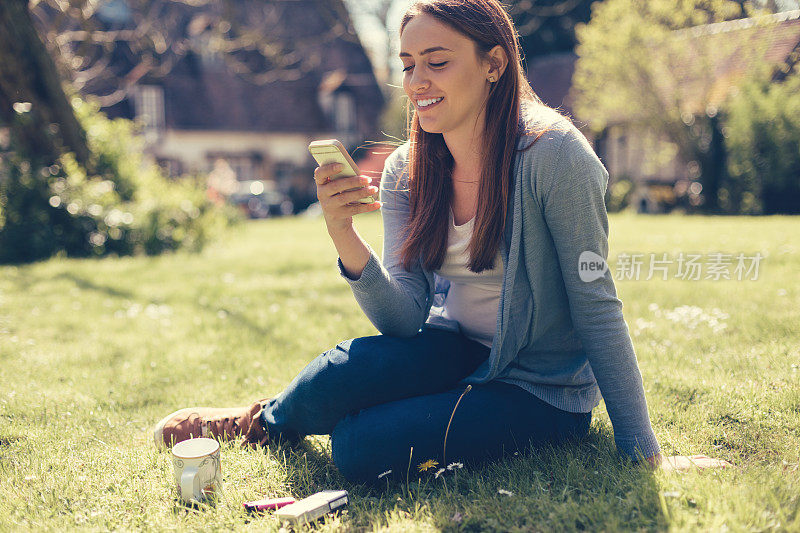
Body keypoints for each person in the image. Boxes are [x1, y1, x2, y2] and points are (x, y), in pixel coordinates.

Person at [153, 0, 725, 486]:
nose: (417, 82)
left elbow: (596, 304)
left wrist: (641, 447)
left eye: (437, 62)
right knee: (337, 373)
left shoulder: (557, 158)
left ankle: (366, 418)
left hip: (540, 386)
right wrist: (343, 234)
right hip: (453, 349)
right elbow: (403, 318)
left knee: (358, 449)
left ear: (494, 63)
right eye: (407, 66)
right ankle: (260, 423)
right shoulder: (409, 167)